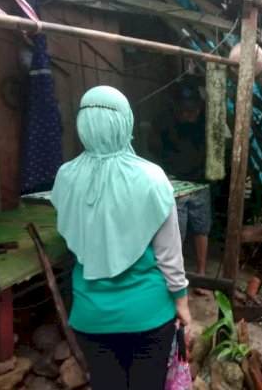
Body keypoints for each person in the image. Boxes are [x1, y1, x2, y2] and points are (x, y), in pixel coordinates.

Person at [51, 86, 191, 389]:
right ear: (125, 120)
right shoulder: (152, 177)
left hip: (91, 316)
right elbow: (169, 254)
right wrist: (182, 301)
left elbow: (75, 236)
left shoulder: (65, 177)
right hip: (150, 315)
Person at [149, 84, 212, 296]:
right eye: (186, 110)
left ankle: (201, 276)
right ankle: (179, 278)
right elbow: (153, 150)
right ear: (176, 108)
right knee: (177, 233)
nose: (191, 113)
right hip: (176, 186)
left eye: (194, 109)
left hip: (201, 183)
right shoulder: (163, 123)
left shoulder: (205, 121)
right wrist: (165, 173)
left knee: (202, 229)